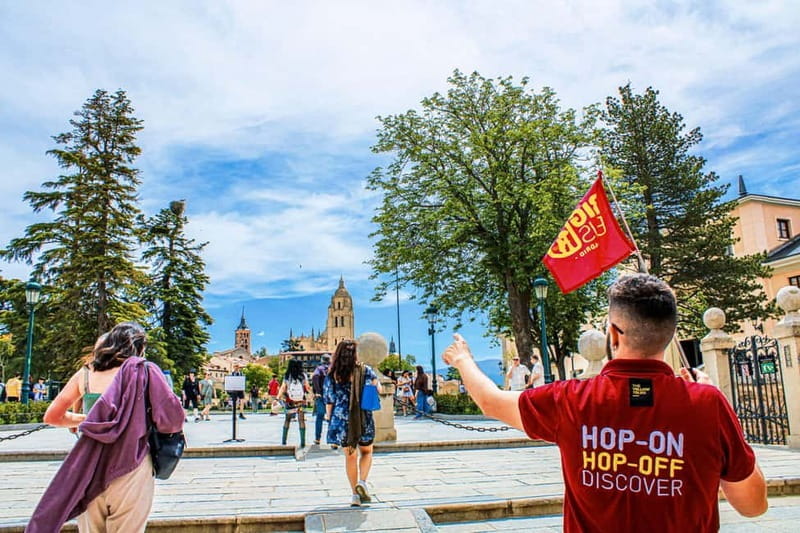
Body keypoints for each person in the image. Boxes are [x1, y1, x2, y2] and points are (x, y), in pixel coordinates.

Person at [442, 273, 768, 532]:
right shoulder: (707, 404)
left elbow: (490, 402)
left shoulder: (572, 399)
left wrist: (464, 360)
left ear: (613, 334)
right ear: (670, 333)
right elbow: (753, 505)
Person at [29, 322, 184, 533]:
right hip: (131, 463)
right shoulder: (145, 370)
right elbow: (172, 420)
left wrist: (90, 420)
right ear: (139, 348)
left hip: (89, 467)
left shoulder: (85, 374)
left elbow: (52, 416)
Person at [324, 339, 382, 507]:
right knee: (367, 452)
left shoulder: (332, 374)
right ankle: (362, 482)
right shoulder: (365, 370)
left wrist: (330, 418)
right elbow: (378, 390)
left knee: (350, 456)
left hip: (341, 419)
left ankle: (354, 496)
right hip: (363, 417)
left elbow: (329, 400)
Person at [278, 358, 312, 447]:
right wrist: (312, 395)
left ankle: (284, 441)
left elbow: (283, 387)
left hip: (290, 401)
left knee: (287, 420)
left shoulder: (287, 376)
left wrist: (278, 397)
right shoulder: (303, 375)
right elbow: (307, 387)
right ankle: (303, 442)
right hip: (301, 401)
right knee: (301, 420)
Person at [311, 353, 331, 445]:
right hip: (332, 396)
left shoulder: (319, 369)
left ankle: (317, 438)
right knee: (332, 417)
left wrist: (317, 390)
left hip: (321, 396)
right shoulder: (333, 369)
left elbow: (315, 377)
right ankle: (333, 439)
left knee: (320, 417)